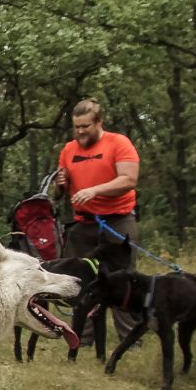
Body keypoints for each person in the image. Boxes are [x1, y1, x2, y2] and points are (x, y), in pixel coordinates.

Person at [55, 98, 139, 269]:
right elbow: (58, 194)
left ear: (99, 122)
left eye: (85, 126)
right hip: (84, 223)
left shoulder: (119, 143)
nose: (80, 131)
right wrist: (59, 184)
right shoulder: (68, 150)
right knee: (71, 276)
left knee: (120, 278)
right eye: (76, 127)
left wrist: (94, 191)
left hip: (117, 221)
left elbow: (129, 180)